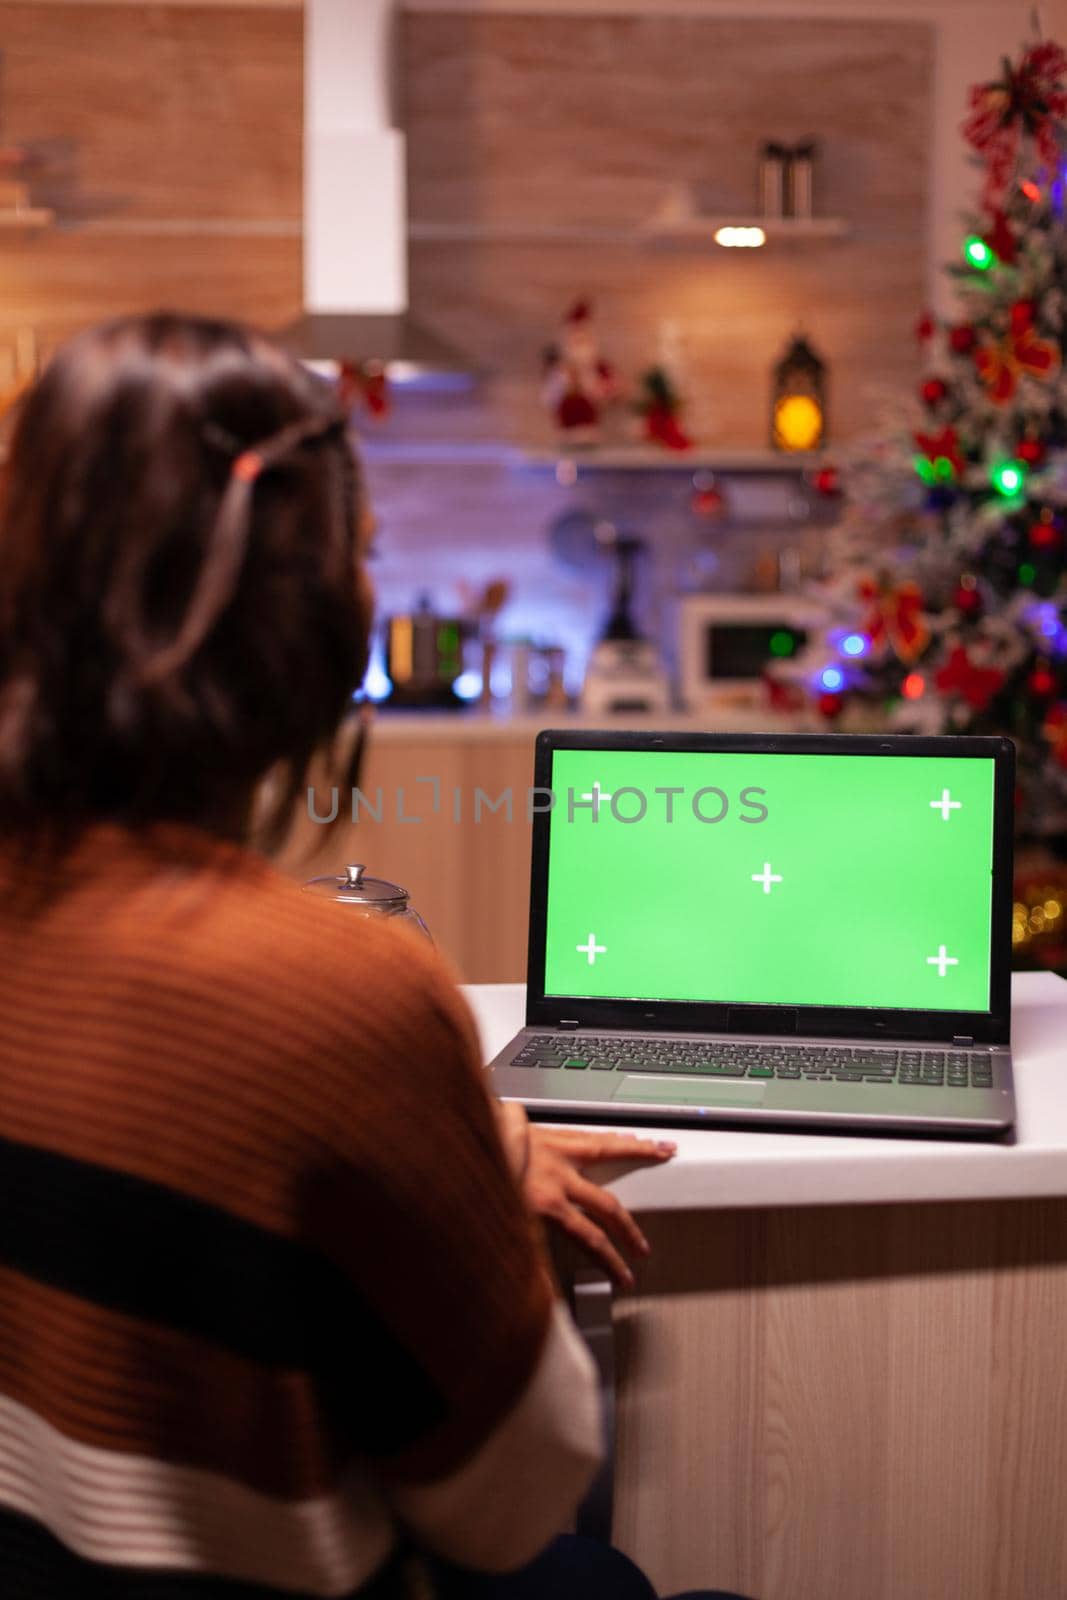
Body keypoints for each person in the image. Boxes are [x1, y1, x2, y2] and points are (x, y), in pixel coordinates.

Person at [0, 312, 744, 1600]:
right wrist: (459, 1165)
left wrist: (472, 1141)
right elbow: (513, 1499)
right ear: (317, 636)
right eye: (363, 554)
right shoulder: (346, 997)